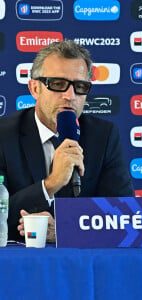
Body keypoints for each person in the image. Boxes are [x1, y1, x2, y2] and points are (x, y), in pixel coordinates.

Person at [0, 40, 134, 241]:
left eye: (80, 86)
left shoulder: (103, 136)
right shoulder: (4, 135)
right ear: (35, 88)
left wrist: (65, 229)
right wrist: (51, 184)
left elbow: (123, 216)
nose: (69, 96)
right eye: (58, 84)